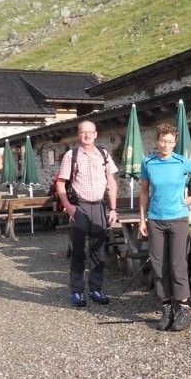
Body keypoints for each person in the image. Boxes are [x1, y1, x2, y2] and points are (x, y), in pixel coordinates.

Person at [139, 123, 191, 332]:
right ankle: (166, 308)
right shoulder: (148, 162)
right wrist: (142, 219)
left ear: (175, 143)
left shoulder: (182, 162)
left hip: (178, 219)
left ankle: (182, 308)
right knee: (159, 263)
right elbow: (144, 192)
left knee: (177, 263)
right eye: (163, 140)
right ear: (157, 140)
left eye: (170, 141)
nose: (166, 145)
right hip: (155, 219)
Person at [55, 120, 119, 308]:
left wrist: (113, 208)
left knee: (98, 252)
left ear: (96, 134)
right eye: (83, 132)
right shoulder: (71, 155)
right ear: (79, 134)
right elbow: (60, 184)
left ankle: (96, 289)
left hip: (99, 207)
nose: (87, 135)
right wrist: (69, 207)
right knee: (78, 252)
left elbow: (112, 182)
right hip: (80, 207)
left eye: (90, 132)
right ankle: (77, 291)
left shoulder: (104, 154)